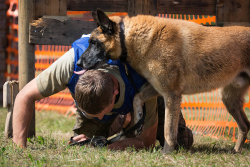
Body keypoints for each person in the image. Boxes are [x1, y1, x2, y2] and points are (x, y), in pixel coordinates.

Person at [13, 34, 193, 150]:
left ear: (115, 92)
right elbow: (24, 96)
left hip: (151, 90)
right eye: (93, 115)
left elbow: (147, 143)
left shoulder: (143, 78)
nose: (98, 118)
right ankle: (124, 121)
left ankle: (128, 120)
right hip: (118, 97)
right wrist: (19, 148)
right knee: (84, 144)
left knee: (179, 144)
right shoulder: (72, 63)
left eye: (101, 114)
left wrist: (111, 146)